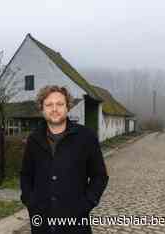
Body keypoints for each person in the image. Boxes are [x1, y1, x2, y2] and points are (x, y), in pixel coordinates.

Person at [20, 85, 109, 234]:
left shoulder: (86, 137)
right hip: (42, 224)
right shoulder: (34, 139)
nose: (54, 109)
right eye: (49, 104)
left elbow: (99, 176)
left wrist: (87, 203)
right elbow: (26, 174)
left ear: (68, 107)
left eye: (60, 104)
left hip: (76, 225)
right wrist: (30, 201)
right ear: (42, 109)